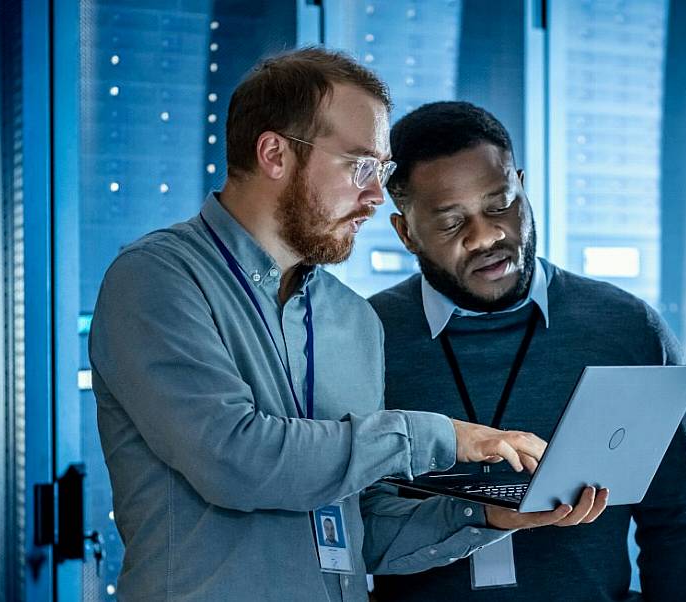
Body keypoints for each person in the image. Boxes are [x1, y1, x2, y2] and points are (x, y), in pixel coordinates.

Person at [89, 49, 605, 602]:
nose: (377, 197)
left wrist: (485, 514)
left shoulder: (354, 319)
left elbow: (361, 530)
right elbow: (235, 460)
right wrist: (444, 436)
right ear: (274, 154)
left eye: (381, 171)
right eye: (361, 166)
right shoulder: (156, 279)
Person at [369, 101, 686, 601]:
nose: (486, 236)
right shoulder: (365, 335)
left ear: (522, 186)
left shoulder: (626, 327)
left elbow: (676, 516)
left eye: (500, 204)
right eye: (450, 222)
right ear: (405, 233)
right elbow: (344, 524)